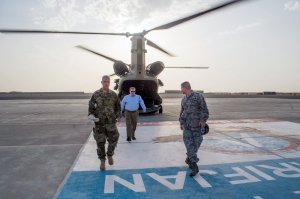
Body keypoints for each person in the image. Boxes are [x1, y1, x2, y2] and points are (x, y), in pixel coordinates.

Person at [88, 75, 121, 170]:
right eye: (104, 81)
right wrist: (91, 116)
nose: (106, 83)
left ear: (109, 83)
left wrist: (118, 116)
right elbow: (91, 107)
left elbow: (118, 107)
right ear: (101, 82)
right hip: (99, 123)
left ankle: (110, 154)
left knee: (115, 138)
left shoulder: (113, 95)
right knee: (100, 142)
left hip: (111, 122)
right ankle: (102, 160)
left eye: (107, 81)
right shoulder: (96, 94)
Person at [179, 81, 209, 177]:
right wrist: (181, 122)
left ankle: (189, 158)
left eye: (181, 88)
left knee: (197, 142)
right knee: (188, 144)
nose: (181, 90)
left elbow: (204, 109)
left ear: (185, 88)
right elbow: (182, 111)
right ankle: (194, 164)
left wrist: (203, 120)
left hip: (197, 125)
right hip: (186, 125)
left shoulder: (198, 96)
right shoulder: (183, 99)